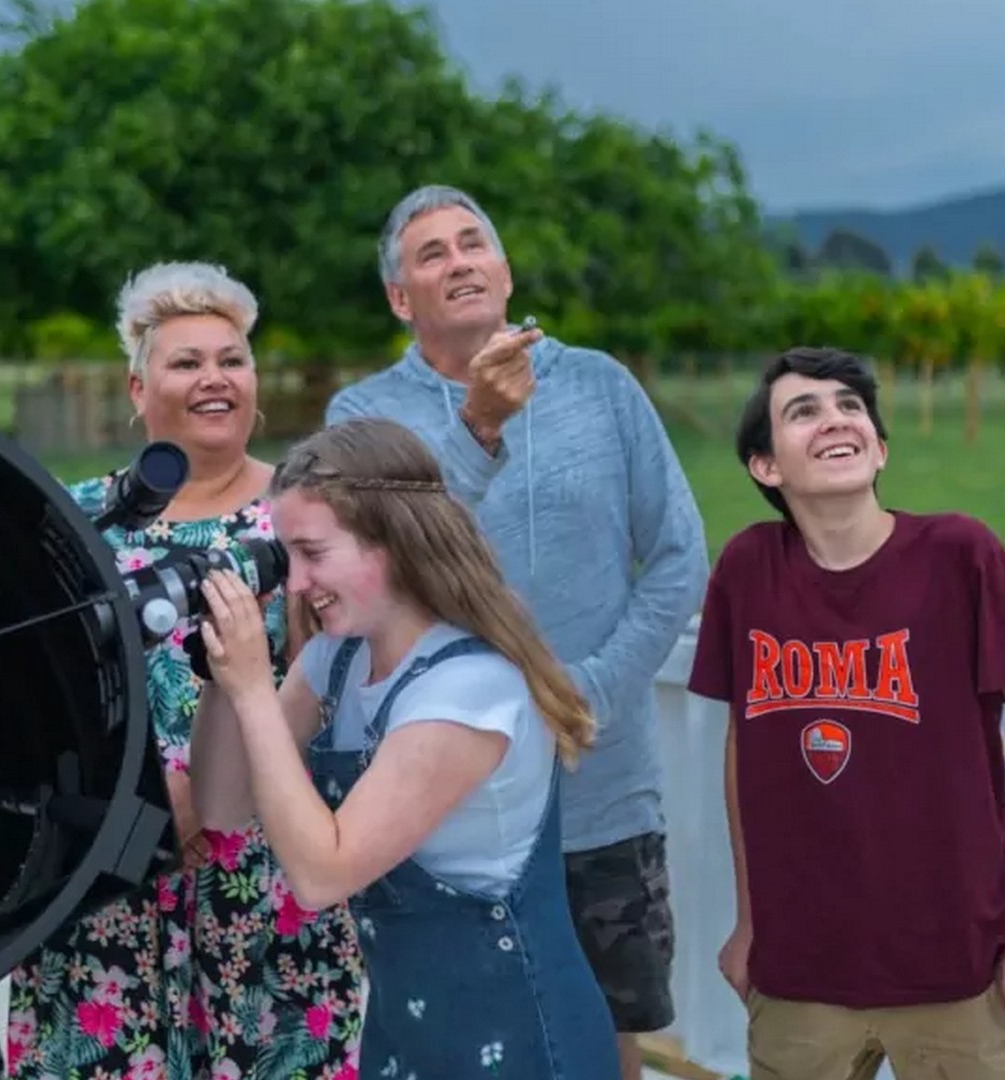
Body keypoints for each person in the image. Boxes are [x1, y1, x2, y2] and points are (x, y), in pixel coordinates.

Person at [325, 183, 708, 1077]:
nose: (458, 261)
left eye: (473, 244)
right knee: (455, 1041)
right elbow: (374, 575)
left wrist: (589, 693)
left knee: (609, 1040)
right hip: (440, 800)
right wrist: (477, 429)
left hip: (601, 786)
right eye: (432, 254)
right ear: (399, 298)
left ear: (503, 270)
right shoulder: (361, 419)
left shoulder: (602, 386)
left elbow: (680, 558)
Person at [686, 346, 1005, 1080]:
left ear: (879, 447)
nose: (835, 419)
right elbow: (750, 748)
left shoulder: (959, 556)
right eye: (802, 411)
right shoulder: (749, 570)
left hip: (960, 972)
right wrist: (751, 922)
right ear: (765, 467)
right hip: (800, 976)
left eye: (851, 407)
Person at [5, 263, 363, 1080]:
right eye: (187, 361)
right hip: (108, 868)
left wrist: (199, 796)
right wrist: (139, 798)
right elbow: (25, 693)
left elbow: (332, 671)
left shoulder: (309, 515)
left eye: (231, 359)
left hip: (262, 862)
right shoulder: (71, 518)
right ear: (138, 388)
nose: (214, 378)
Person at [187, 417, 622, 1080]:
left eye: (313, 552)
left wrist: (254, 690)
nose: (296, 582)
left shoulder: (468, 690)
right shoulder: (338, 659)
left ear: (390, 540)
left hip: (515, 1036)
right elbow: (221, 805)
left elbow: (323, 873)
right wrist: (222, 678)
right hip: (408, 1032)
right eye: (286, 555)